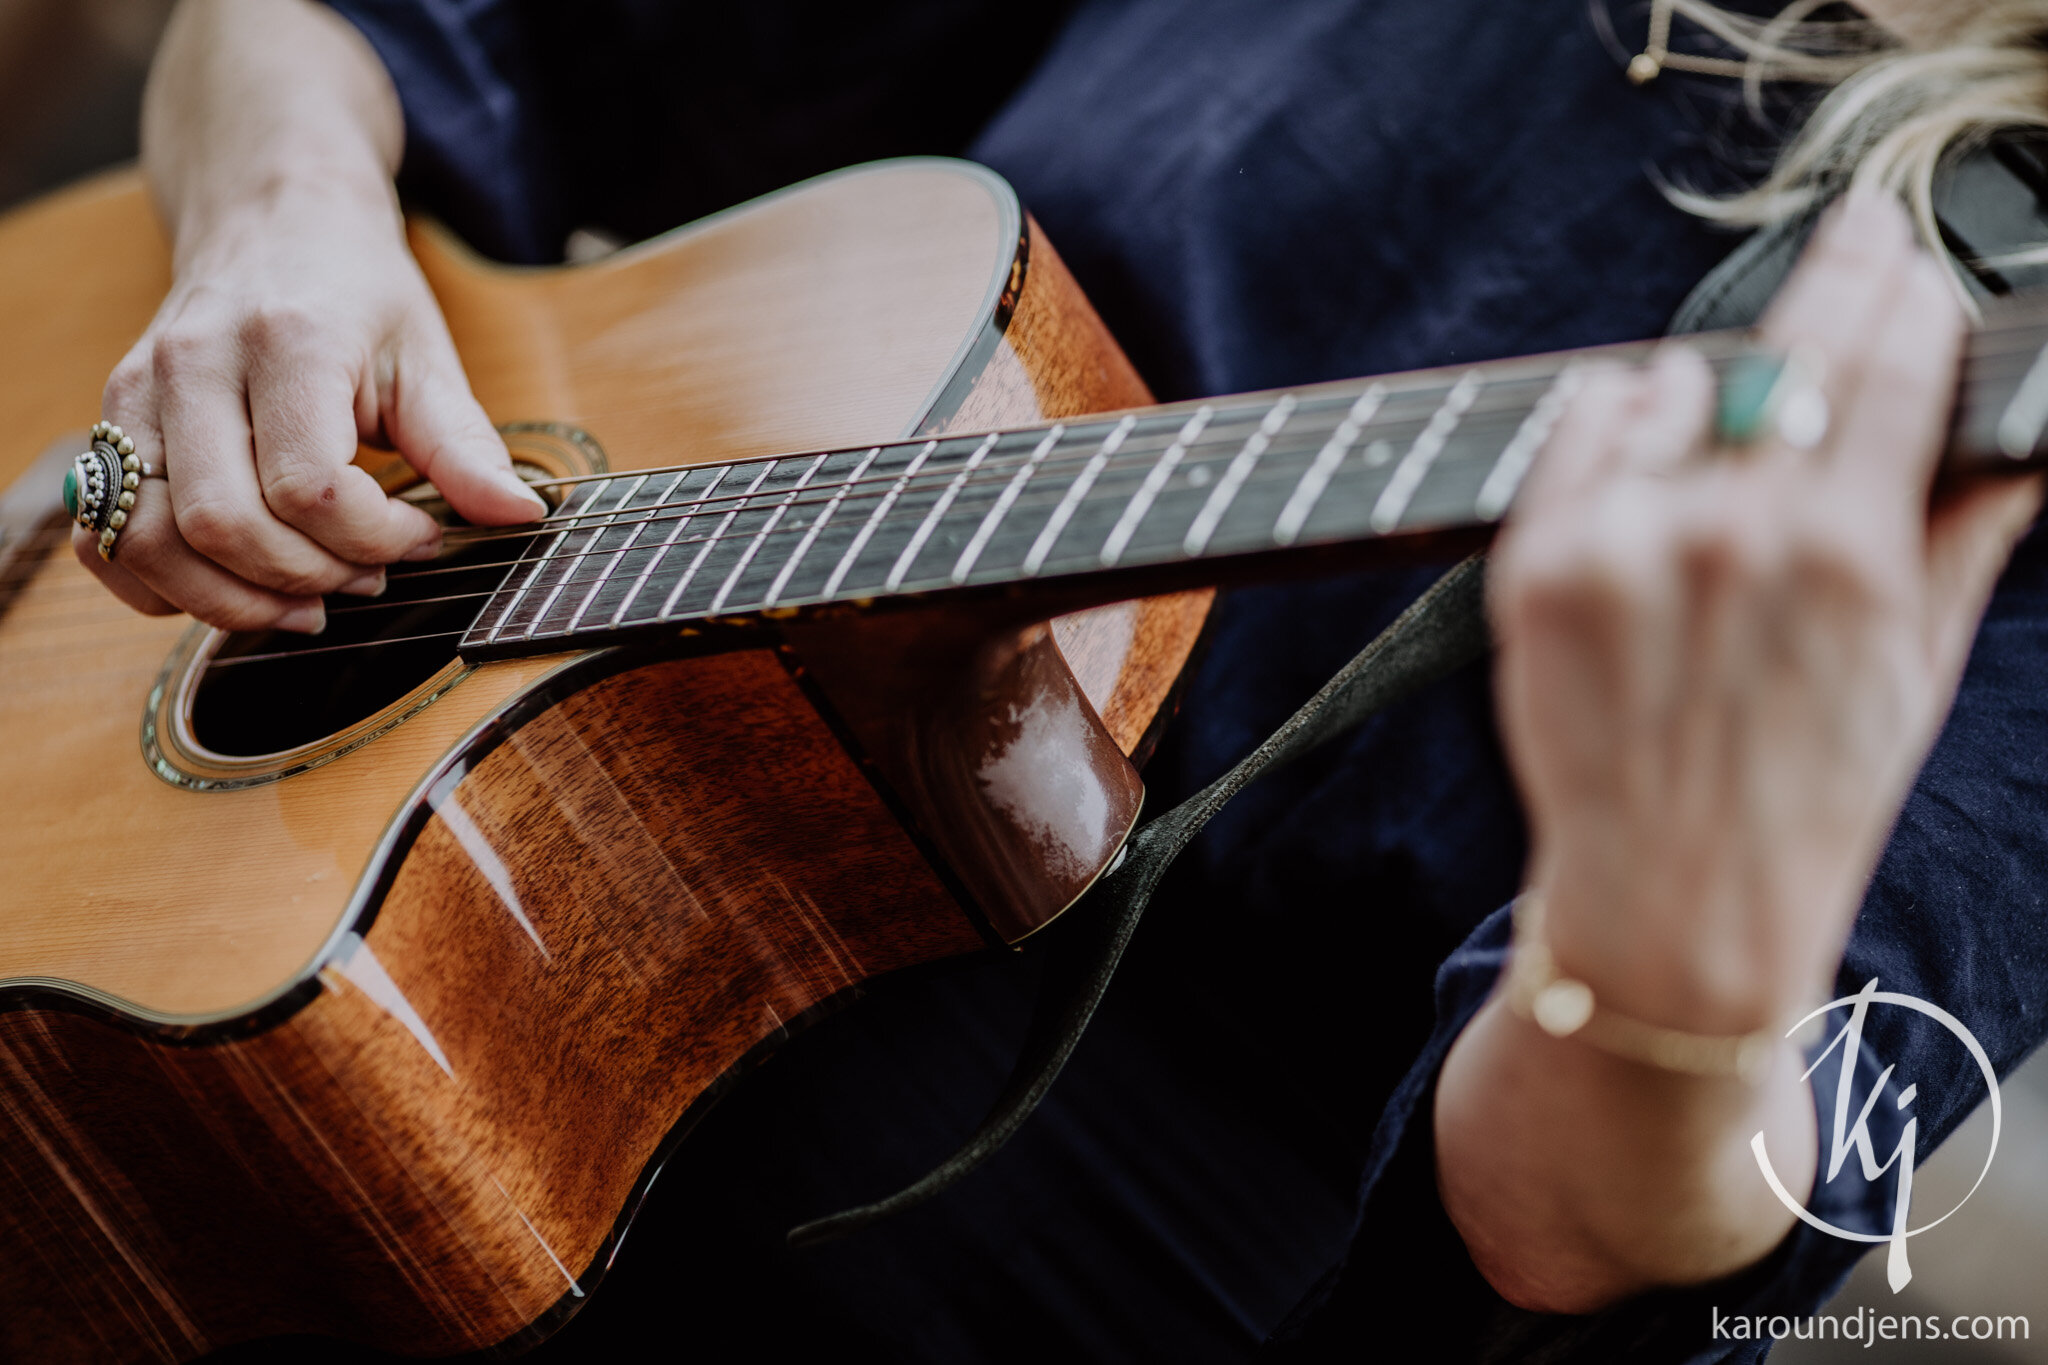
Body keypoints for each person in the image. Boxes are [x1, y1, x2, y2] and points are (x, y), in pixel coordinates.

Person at [92, 1, 2048, 1360]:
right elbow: (438, 27)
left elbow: (1577, 1239)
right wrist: (280, 214)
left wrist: (1671, 953)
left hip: (987, 1262)